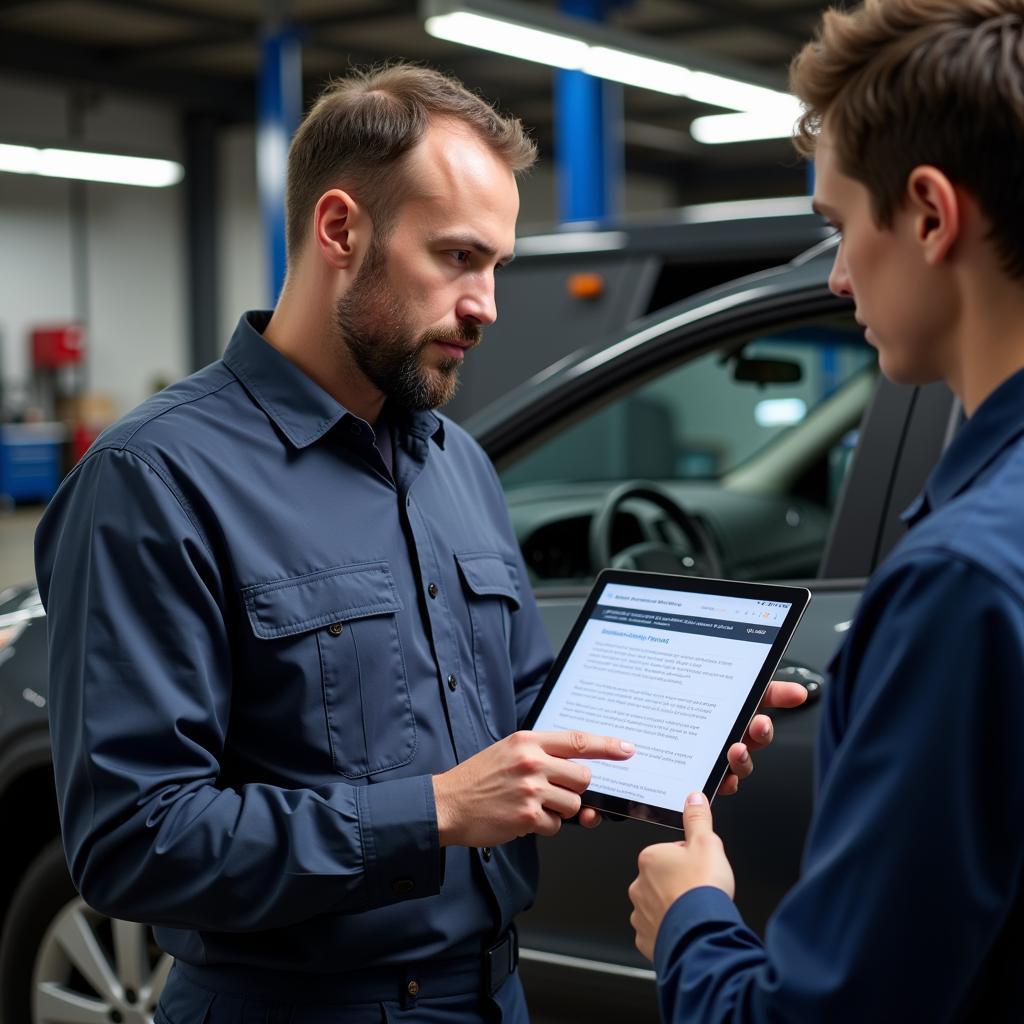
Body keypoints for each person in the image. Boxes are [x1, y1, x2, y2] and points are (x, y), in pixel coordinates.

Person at [35, 64, 795, 1024]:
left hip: (492, 995)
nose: (486, 304)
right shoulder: (155, 480)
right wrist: (431, 810)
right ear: (340, 230)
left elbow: (510, 713)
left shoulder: (457, 466)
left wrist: (659, 738)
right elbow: (132, 842)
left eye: (496, 267)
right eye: (456, 258)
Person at [627, 1, 1024, 1020]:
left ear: (932, 214)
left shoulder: (962, 582)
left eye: (842, 225)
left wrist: (691, 919)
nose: (840, 275)